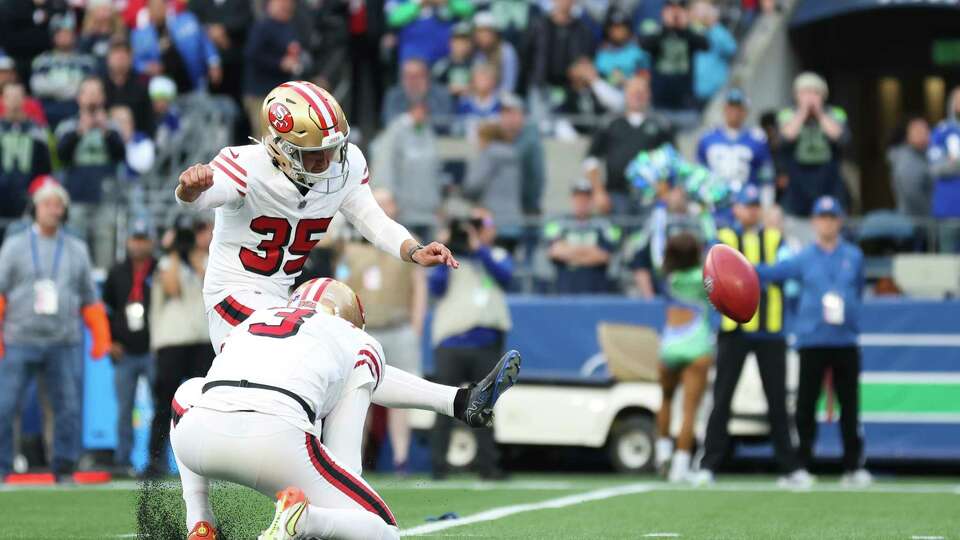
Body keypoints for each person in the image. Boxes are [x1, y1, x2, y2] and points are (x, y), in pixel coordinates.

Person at [168, 278, 521, 539]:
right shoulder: (355, 339)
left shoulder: (253, 321)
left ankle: (200, 520)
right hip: (273, 440)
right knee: (382, 532)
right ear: (351, 316)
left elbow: (191, 394)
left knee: (186, 391)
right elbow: (345, 462)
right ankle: (301, 520)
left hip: (196, 436)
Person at [690, 185, 810, 488]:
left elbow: (791, 268)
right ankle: (708, 464)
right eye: (746, 205)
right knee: (722, 398)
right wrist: (756, 274)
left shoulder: (773, 237)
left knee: (777, 401)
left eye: (756, 205)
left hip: (770, 329)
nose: (752, 210)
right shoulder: (725, 241)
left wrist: (747, 273)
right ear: (736, 209)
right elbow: (711, 276)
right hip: (734, 330)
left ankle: (790, 467)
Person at [755, 195, 872, 487]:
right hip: (812, 339)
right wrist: (746, 269)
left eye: (832, 217)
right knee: (806, 406)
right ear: (815, 221)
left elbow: (857, 289)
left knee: (850, 406)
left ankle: (853, 467)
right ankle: (801, 465)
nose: (827, 222)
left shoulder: (853, 256)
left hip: (844, 339)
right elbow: (777, 274)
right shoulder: (805, 256)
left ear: (839, 221)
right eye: (822, 217)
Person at [0, 178, 111, 482]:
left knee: (67, 408)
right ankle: (2, 467)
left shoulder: (76, 249)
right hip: (18, 338)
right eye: (47, 204)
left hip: (63, 341)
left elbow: (89, 297)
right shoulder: (14, 246)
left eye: (58, 205)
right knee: (5, 406)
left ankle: (63, 468)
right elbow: (1, 292)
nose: (53, 209)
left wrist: (100, 333)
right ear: (35, 208)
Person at [341, 189, 427, 473]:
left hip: (398, 326)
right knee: (356, 397)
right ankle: (354, 463)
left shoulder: (407, 241)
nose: (384, 206)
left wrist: (416, 326)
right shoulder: (352, 243)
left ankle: (401, 459)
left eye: (388, 201)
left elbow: (419, 287)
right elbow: (340, 285)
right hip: (364, 330)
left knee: (402, 399)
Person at [429, 207, 513, 480]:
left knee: (485, 406)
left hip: (485, 342)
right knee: (444, 405)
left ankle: (488, 467)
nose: (472, 231)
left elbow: (504, 276)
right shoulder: (448, 260)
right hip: (451, 342)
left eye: (480, 224)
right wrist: (444, 247)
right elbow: (436, 287)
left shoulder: (495, 254)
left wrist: (478, 248)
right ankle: (438, 467)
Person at [145, 216, 214, 476]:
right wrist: (174, 251)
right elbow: (172, 288)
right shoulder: (166, 262)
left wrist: (198, 250)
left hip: (200, 341)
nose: (191, 238)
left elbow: (207, 283)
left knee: (204, 404)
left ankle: (206, 461)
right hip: (172, 342)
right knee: (164, 403)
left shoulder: (206, 260)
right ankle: (155, 460)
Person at [653, 232, 712, 482]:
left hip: (669, 346)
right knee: (690, 411)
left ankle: (662, 453)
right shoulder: (704, 277)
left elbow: (655, 248)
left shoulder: (666, 277)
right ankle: (680, 467)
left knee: (665, 399)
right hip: (697, 347)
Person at [102, 221, 156, 474]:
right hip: (124, 350)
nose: (138, 243)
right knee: (124, 409)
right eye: (135, 238)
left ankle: (156, 461)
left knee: (161, 405)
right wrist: (109, 341)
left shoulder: (159, 269)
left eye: (143, 238)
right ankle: (123, 461)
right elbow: (106, 311)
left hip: (154, 349)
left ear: (151, 242)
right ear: (127, 241)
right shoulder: (116, 272)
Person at [55, 77, 126, 267]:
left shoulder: (112, 126)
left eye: (97, 92)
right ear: (80, 98)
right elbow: (61, 156)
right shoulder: (68, 125)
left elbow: (121, 155)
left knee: (105, 255)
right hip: (76, 197)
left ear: (103, 97)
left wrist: (105, 132)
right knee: (74, 252)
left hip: (105, 197)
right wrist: (80, 131)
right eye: (88, 92)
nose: (93, 97)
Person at [584, 76, 674, 215]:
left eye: (641, 92)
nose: (637, 96)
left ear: (648, 94)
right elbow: (591, 160)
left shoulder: (660, 125)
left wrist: (668, 191)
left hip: (651, 195)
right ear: (626, 94)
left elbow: (673, 160)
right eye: (633, 92)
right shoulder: (610, 124)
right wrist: (598, 191)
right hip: (616, 195)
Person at [777, 72, 849, 228]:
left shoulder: (835, 113)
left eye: (815, 92)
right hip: (797, 183)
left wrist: (819, 113)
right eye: (804, 92)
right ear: (796, 95)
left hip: (828, 180)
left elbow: (839, 136)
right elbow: (786, 136)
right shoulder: (787, 114)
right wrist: (802, 113)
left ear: (823, 95)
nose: (810, 97)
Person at [696, 88, 773, 222]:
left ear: (745, 111)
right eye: (731, 107)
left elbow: (766, 177)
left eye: (739, 108)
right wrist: (699, 203)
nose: (734, 112)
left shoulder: (757, 139)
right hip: (714, 203)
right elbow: (699, 174)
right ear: (724, 109)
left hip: (747, 204)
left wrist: (766, 207)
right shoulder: (708, 137)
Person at [375, 100, 443, 240]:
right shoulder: (396, 131)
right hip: (402, 210)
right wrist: (388, 196)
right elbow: (386, 165)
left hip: (428, 213)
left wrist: (438, 203)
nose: (422, 115)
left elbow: (435, 171)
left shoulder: (428, 133)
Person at [243, 0, 305, 139]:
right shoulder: (263, 26)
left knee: (282, 141)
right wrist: (279, 63)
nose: (286, 5)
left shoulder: (291, 27)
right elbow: (252, 54)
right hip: (260, 94)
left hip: (282, 95)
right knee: (265, 141)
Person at [545, 180, 620, 293]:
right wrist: (589, 251)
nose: (582, 202)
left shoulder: (604, 225)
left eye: (586, 198)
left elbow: (604, 256)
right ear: (572, 199)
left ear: (591, 201)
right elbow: (555, 252)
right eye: (578, 198)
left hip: (596, 289)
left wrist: (569, 251)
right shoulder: (558, 223)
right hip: (566, 289)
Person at [131, 0, 222, 92]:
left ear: (166, 6)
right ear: (148, 10)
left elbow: (205, 41)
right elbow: (134, 61)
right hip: (164, 90)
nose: (157, 9)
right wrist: (145, 67)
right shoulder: (139, 36)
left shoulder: (187, 20)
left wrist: (213, 62)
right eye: (154, 6)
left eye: (160, 5)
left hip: (194, 79)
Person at [0, 83, 52, 238]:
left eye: (18, 96)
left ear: (25, 100)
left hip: (27, 199)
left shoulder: (37, 130)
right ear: (3, 99)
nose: (14, 101)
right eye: (10, 96)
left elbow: (45, 168)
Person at [637, 0, 709, 112]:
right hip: (658, 99)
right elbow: (644, 44)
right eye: (671, 8)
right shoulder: (653, 27)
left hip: (684, 100)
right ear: (664, 10)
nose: (675, 13)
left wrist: (684, 28)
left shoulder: (692, 29)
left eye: (679, 8)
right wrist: (665, 27)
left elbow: (705, 45)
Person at [30, 13, 98, 128]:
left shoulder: (87, 61)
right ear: (53, 36)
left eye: (68, 32)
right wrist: (72, 86)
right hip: (48, 112)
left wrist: (55, 85)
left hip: (78, 112)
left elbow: (91, 88)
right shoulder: (42, 61)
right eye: (60, 33)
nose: (65, 36)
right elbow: (38, 87)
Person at [463, 123, 523, 251]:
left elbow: (473, 185)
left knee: (489, 267)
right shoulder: (514, 156)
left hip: (490, 225)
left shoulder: (488, 155)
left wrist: (462, 192)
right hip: (512, 224)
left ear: (485, 138)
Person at [499, 94, 545, 254]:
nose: (507, 119)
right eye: (505, 114)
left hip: (527, 208)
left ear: (521, 115)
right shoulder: (507, 137)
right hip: (509, 210)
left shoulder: (529, 136)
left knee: (527, 261)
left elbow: (515, 158)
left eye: (512, 113)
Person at [528, 0, 596, 93]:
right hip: (542, 86)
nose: (564, 2)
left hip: (571, 89)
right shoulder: (539, 26)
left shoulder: (583, 30)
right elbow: (526, 56)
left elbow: (587, 59)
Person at [386, 0, 475, 67]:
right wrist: (419, 3)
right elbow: (393, 18)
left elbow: (468, 9)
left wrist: (448, 2)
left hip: (446, 61)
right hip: (413, 62)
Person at [928, 87, 960, 248]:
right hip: (949, 210)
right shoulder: (942, 131)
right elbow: (936, 169)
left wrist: (954, 161)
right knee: (947, 268)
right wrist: (954, 163)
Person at [104, 40, 155, 137]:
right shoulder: (100, 85)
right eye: (116, 53)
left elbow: (149, 120)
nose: (120, 57)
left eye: (125, 53)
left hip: (137, 140)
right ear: (108, 58)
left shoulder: (143, 84)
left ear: (131, 58)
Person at [382, 58, 454, 126]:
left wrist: (423, 118)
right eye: (408, 76)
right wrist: (410, 118)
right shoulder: (393, 95)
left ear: (427, 77)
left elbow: (447, 121)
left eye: (418, 76)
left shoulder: (442, 94)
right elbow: (389, 121)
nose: (413, 81)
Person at [691, 0, 736, 104]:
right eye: (698, 10)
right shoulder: (691, 33)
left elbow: (731, 49)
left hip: (716, 95)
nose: (701, 14)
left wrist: (712, 25)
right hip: (692, 95)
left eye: (704, 10)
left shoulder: (717, 31)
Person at [887, 116, 932, 218]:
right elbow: (912, 194)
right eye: (917, 131)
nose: (923, 135)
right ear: (908, 135)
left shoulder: (926, 156)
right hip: (915, 221)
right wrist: (929, 213)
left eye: (925, 131)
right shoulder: (907, 159)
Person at [595, 7, 649, 88]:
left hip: (635, 94)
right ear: (607, 30)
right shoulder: (601, 56)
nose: (619, 31)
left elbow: (645, 77)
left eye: (622, 27)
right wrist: (613, 79)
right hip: (607, 96)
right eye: (615, 28)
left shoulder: (638, 52)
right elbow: (598, 81)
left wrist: (627, 81)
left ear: (628, 29)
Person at [472, 11, 519, 95]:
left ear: (495, 33)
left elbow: (509, 85)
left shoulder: (506, 51)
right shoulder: (475, 52)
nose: (483, 36)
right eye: (480, 32)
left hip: (501, 99)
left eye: (487, 31)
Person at [455, 63, 502, 134]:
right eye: (480, 78)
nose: (483, 82)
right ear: (473, 81)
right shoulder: (464, 104)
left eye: (487, 78)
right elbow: (457, 127)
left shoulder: (501, 103)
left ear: (494, 81)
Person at [432, 22, 474, 98]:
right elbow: (433, 88)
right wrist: (448, 90)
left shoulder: (476, 65)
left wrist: (470, 89)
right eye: (457, 41)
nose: (461, 45)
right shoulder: (441, 66)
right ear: (450, 43)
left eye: (464, 42)